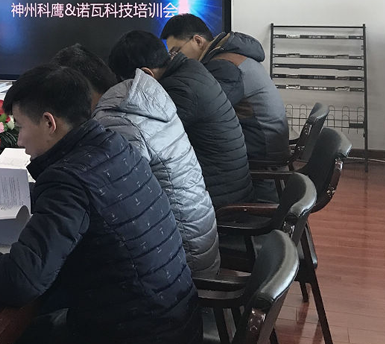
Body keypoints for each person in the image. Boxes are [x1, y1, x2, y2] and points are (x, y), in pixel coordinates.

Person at [0, 65, 201, 344]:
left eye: (21, 127)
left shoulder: (67, 179)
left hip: (133, 336)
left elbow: (19, 280)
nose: (20, 140)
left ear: (49, 123)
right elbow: (88, 201)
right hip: (174, 321)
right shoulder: (114, 144)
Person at [54, 44, 219, 274]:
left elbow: (106, 204)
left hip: (180, 259)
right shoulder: (139, 99)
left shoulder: (117, 121)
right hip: (192, 238)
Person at [108, 31, 255, 207]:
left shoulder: (179, 91)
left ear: (146, 74)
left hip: (217, 198)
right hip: (227, 185)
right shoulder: (190, 68)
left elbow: (144, 142)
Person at [161, 14, 290, 164]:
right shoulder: (230, 57)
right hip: (264, 142)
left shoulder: (224, 66)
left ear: (198, 41)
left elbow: (201, 111)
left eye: (176, 51)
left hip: (260, 149)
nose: (174, 58)